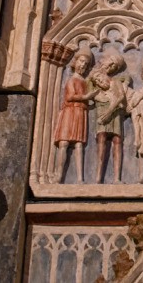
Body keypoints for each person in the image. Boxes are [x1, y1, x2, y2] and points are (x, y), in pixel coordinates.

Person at [53, 47, 95, 183]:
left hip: (80, 112)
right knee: (64, 142)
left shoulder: (85, 82)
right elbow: (70, 96)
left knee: (79, 144)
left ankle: (80, 178)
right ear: (75, 62)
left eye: (86, 64)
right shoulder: (72, 80)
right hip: (69, 111)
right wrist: (86, 97)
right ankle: (59, 176)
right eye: (81, 61)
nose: (83, 65)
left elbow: (86, 100)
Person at [91, 51, 127, 184]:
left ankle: (117, 178)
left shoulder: (115, 81)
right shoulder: (95, 80)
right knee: (101, 139)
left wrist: (110, 110)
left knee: (117, 141)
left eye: (114, 66)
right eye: (109, 62)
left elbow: (121, 96)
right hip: (102, 112)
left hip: (115, 113)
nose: (110, 66)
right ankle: (98, 177)